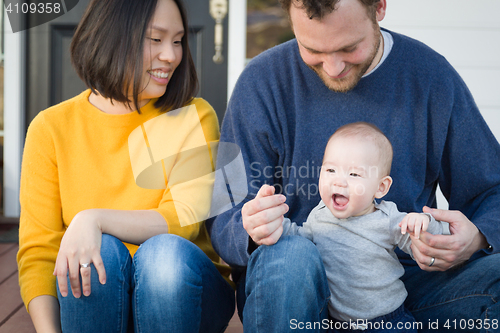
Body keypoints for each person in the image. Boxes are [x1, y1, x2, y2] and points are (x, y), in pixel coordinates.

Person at [208, 0, 500, 332]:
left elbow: (492, 188)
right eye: (312, 49)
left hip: (405, 290)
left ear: (379, 7)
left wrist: (475, 238)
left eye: (349, 48)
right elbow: (224, 213)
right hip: (293, 288)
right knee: (289, 256)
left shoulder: (430, 77)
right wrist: (251, 228)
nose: (332, 68)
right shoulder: (262, 81)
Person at [17, 0, 235, 332]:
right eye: (156, 39)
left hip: (182, 295)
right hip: (97, 299)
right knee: (94, 253)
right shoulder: (51, 128)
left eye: (177, 41)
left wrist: (94, 218)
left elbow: (183, 220)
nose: (171, 55)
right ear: (111, 38)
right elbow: (39, 252)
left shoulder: (194, 115)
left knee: (161, 255)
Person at [277, 122, 447, 331]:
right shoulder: (319, 215)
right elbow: (300, 240)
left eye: (354, 174)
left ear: (380, 187)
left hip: (388, 321)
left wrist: (424, 224)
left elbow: (431, 243)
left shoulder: (387, 219)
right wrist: (277, 226)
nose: (338, 181)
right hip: (336, 323)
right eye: (330, 170)